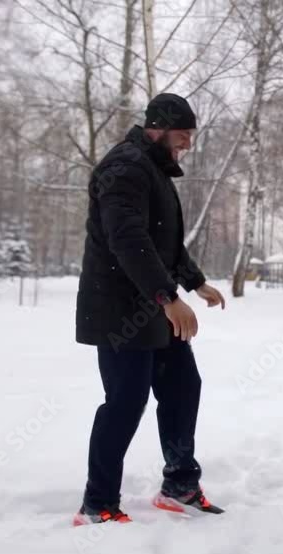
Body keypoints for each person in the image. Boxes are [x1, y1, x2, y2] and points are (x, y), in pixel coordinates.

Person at [73, 93, 226, 525]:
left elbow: (164, 243)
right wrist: (169, 297)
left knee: (182, 387)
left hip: (152, 307)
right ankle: (97, 502)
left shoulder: (152, 171)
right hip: (120, 310)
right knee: (125, 401)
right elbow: (128, 241)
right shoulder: (124, 169)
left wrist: (195, 283)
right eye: (183, 136)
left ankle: (180, 484)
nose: (188, 145)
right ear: (157, 128)